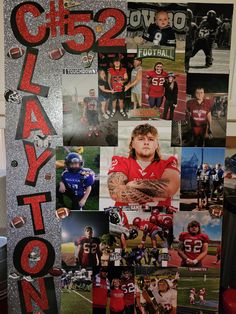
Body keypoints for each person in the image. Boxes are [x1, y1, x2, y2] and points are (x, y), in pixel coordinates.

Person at [107, 123, 180, 208]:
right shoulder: (121, 161)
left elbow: (170, 189)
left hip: (159, 218)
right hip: (125, 218)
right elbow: (115, 192)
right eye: (141, 139)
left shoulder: (168, 162)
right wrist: (156, 194)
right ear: (132, 144)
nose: (146, 142)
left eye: (151, 139)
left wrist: (131, 184)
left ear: (156, 144)